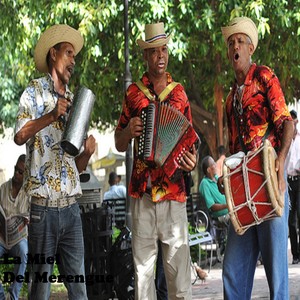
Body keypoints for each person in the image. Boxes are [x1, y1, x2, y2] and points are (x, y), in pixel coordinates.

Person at [115, 22, 197, 299]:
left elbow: (190, 142)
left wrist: (191, 163)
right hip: (143, 195)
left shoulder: (180, 93)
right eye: (153, 51)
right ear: (146, 56)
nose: (160, 55)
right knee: (143, 279)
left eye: (163, 49)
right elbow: (118, 141)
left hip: (174, 197)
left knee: (179, 281)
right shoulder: (133, 93)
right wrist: (128, 131)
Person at [14, 24, 96, 300]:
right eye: (69, 53)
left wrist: (87, 153)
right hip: (42, 211)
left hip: (71, 209)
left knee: (79, 290)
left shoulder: (75, 101)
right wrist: (50, 116)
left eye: (75, 56)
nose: (73, 61)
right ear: (53, 54)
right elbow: (19, 136)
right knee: (40, 291)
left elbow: (76, 167)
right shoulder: (33, 92)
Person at [220, 17, 294, 299]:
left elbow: (286, 122)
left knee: (277, 275)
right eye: (231, 43)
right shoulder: (229, 100)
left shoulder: (264, 76)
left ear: (250, 49)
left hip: (271, 184)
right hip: (243, 193)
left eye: (239, 42)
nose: (235, 47)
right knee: (232, 271)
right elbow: (234, 149)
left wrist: (281, 160)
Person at [0, 154, 30, 300]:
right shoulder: (3, 188)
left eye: (20, 172)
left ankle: (13, 296)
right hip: (2, 237)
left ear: (26, 174)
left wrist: (27, 220)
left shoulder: (29, 193)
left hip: (19, 239)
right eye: (16, 169)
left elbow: (32, 216)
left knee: (24, 252)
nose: (16, 174)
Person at [286, 109, 300, 264]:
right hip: (289, 181)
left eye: (294, 121)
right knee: (291, 220)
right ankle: (295, 255)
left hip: (299, 179)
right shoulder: (285, 139)